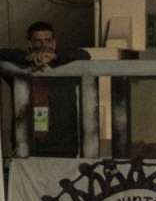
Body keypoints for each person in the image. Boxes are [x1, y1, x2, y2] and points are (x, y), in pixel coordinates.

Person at [0, 21, 90, 157]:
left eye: (47, 41)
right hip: (27, 144)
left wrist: (56, 57)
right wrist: (25, 58)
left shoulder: (65, 67)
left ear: (54, 43)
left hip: (62, 145)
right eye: (38, 41)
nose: (43, 46)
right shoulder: (20, 69)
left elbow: (84, 55)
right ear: (29, 44)